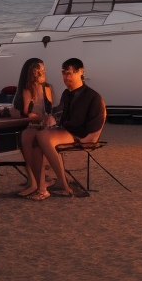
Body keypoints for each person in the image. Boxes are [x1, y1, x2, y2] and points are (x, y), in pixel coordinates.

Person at [29, 58, 106, 200]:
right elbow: (61, 112)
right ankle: (40, 186)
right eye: (64, 73)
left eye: (69, 74)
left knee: (43, 137)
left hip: (82, 134)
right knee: (35, 139)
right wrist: (51, 115)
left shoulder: (91, 96)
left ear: (80, 72)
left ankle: (64, 184)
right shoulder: (67, 94)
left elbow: (96, 121)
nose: (65, 77)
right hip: (67, 130)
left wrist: (89, 138)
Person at [11, 58, 56, 197]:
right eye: (38, 71)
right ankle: (35, 184)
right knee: (26, 139)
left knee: (29, 139)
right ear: (31, 73)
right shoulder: (27, 90)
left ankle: (41, 187)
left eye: (42, 70)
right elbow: (26, 112)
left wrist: (41, 117)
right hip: (34, 123)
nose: (42, 73)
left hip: (45, 125)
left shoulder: (47, 88)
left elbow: (48, 109)